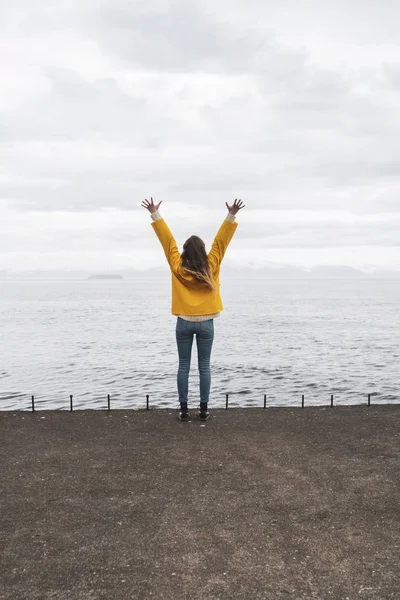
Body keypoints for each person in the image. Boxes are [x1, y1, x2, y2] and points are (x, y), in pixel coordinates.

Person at [141, 197, 245, 421]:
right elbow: (221, 242)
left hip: (184, 322)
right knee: (204, 367)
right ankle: (204, 410)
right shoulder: (212, 264)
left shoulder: (178, 267)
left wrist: (155, 214)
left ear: (185, 252)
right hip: (206, 322)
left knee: (184, 367)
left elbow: (168, 242)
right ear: (203, 251)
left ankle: (183, 410)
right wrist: (231, 215)